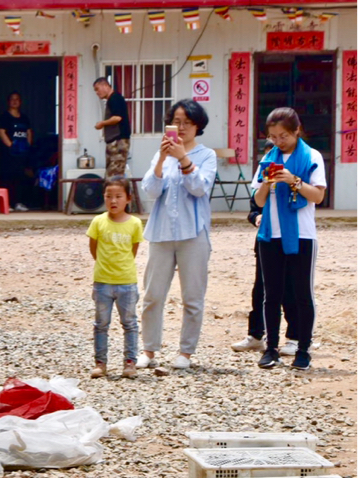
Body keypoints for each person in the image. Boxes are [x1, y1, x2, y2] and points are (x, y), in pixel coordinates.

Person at [138, 99, 216, 370]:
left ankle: (186, 352)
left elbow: (199, 188)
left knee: (192, 296)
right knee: (152, 294)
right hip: (160, 232)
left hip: (193, 233)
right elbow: (149, 190)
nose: (181, 127)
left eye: (187, 122)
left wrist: (183, 158)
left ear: (198, 126)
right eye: (176, 121)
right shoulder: (160, 154)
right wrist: (162, 158)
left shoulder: (206, 155)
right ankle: (148, 350)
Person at [251, 107, 326, 371]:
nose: (278, 141)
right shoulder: (267, 159)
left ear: (297, 130)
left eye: (283, 136)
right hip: (270, 235)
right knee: (271, 294)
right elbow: (258, 201)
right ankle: (270, 348)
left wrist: (294, 180)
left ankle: (303, 349)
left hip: (302, 235)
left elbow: (318, 196)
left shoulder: (312, 157)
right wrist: (267, 183)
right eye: (273, 137)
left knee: (303, 294)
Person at [87, 177, 143, 379]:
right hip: (102, 282)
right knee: (101, 324)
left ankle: (130, 362)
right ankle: (100, 363)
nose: (113, 201)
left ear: (128, 198)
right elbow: (94, 248)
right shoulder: (98, 221)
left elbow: (133, 250)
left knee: (129, 323)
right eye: (108, 196)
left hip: (127, 283)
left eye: (118, 196)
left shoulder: (135, 223)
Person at [231, 192, 299, 355]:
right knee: (260, 291)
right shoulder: (263, 183)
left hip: (290, 240)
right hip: (266, 242)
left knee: (289, 291)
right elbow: (253, 210)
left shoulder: (294, 181)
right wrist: (256, 218)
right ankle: (256, 335)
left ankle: (294, 338)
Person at [0, 92, 33, 212]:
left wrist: (27, 145)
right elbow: (1, 132)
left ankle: (19, 203)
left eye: (17, 99)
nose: (15, 101)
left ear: (20, 102)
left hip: (22, 152)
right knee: (8, 177)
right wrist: (11, 145)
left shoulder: (24, 117)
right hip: (9, 153)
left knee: (21, 177)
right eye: (12, 99)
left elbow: (29, 132)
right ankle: (7, 204)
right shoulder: (4, 117)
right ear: (8, 102)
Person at [93, 78, 132, 177]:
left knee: (115, 174)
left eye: (97, 89)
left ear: (105, 85)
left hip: (118, 141)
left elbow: (117, 118)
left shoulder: (115, 98)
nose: (97, 93)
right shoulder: (112, 99)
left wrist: (102, 123)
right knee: (111, 173)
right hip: (113, 141)